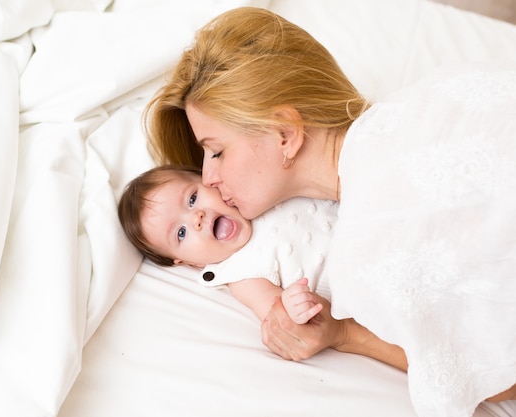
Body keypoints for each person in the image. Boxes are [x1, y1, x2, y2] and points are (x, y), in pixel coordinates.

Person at [142, 6, 516, 416]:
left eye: (216, 151)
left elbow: (497, 376)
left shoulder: (370, 248)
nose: (207, 177)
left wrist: (344, 334)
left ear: (285, 134)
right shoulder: (441, 86)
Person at [118, 164, 338, 324]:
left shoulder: (256, 191)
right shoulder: (243, 274)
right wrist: (292, 306)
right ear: (189, 262)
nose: (197, 218)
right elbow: (276, 316)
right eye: (181, 233)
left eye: (193, 199)